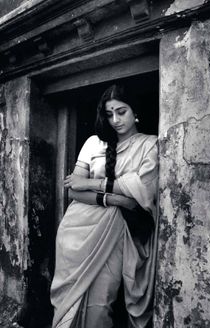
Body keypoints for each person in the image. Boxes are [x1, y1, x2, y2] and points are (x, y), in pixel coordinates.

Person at [50, 84, 158, 328]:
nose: (115, 120)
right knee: (68, 301)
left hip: (115, 232)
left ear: (135, 111)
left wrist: (91, 182)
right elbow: (74, 192)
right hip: (75, 231)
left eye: (121, 111)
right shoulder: (93, 143)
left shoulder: (150, 145)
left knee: (101, 302)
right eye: (109, 114)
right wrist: (116, 198)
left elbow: (142, 189)